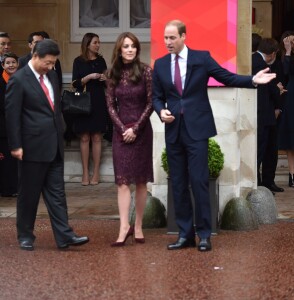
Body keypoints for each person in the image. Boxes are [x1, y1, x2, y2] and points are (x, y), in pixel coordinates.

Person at [152, 20, 276, 252]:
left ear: (183, 36)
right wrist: (161, 110)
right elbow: (157, 97)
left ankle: (205, 235)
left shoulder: (201, 58)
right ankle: (185, 235)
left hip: (197, 131)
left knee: (199, 183)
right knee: (178, 185)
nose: (168, 42)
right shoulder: (159, 65)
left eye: (172, 38)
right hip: (174, 132)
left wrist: (252, 80)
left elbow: (226, 78)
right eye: (165, 38)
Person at [5, 39, 89, 251]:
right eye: (48, 62)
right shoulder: (19, 80)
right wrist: (15, 145)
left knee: (57, 194)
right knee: (29, 194)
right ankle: (25, 235)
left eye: (54, 63)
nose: (52, 67)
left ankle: (64, 236)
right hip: (31, 147)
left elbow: (54, 108)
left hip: (54, 144)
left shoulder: (51, 75)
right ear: (35, 56)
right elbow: (12, 115)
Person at [106, 32, 153, 246]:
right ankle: (124, 226)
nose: (130, 49)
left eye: (133, 46)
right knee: (123, 182)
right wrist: (123, 128)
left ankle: (139, 225)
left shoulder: (146, 71)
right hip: (120, 133)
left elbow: (151, 103)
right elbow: (110, 105)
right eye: (126, 46)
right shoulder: (112, 74)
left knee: (141, 181)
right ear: (120, 49)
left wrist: (135, 128)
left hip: (142, 131)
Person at [72, 32, 108, 186]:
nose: (98, 45)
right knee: (85, 137)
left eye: (98, 42)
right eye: (95, 42)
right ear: (87, 44)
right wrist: (89, 77)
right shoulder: (78, 61)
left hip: (99, 100)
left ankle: (96, 173)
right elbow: (75, 83)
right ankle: (85, 172)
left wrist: (104, 78)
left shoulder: (101, 60)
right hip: (83, 101)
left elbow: (107, 80)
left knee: (97, 137)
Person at [252, 38, 284, 193]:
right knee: (261, 151)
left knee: (270, 150)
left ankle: (267, 182)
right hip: (262, 114)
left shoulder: (255, 60)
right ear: (272, 54)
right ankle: (259, 186)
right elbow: (270, 88)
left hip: (266, 114)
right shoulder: (260, 63)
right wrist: (278, 89)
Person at [278, 31, 294, 187]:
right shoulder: (287, 58)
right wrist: (287, 51)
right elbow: (285, 72)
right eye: (290, 42)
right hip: (293, 96)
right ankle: (291, 174)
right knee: (291, 138)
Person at [0, 52, 19, 197]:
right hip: (3, 127)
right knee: (5, 159)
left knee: (17, 160)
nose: (11, 65)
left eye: (13, 62)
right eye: (8, 63)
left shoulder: (22, 80)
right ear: (3, 65)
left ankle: (17, 188)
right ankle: (6, 189)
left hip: (20, 126)